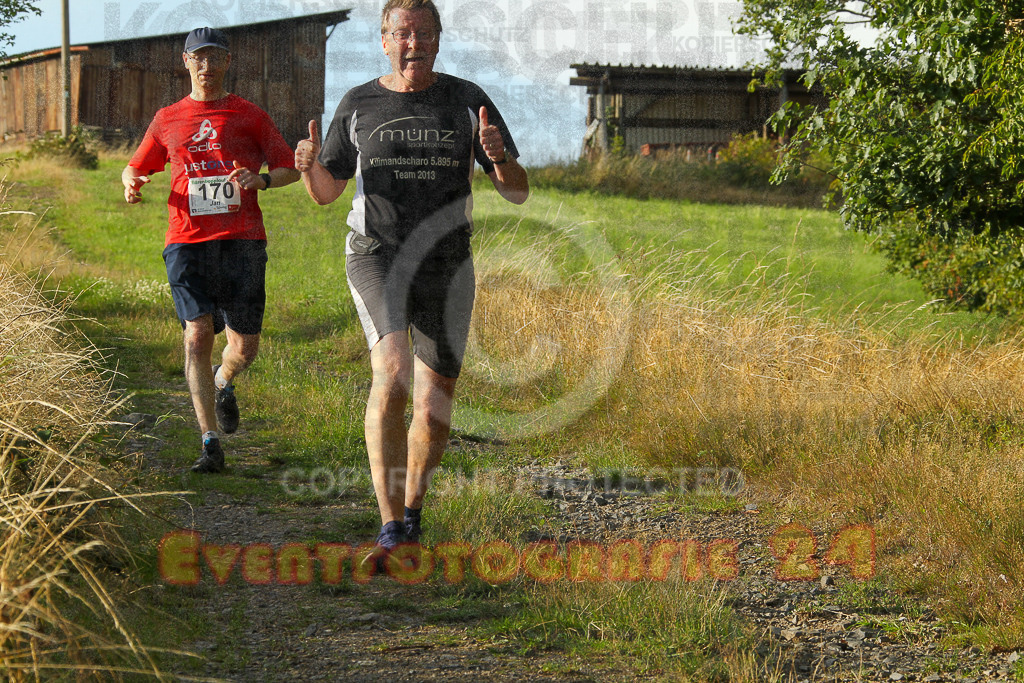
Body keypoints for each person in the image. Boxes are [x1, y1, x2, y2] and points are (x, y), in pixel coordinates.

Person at [294, 0, 528, 561]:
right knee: (394, 372)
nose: (413, 44)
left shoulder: (467, 100)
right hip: (377, 254)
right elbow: (328, 192)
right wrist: (308, 166)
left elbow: (517, 190)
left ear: (439, 41)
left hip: (447, 263)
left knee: (435, 403)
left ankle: (414, 515)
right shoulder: (359, 103)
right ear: (383, 41)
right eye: (402, 34)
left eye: (424, 34)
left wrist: (497, 159)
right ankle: (390, 527)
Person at [121, 27, 299, 474]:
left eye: (214, 57)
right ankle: (209, 441)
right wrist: (131, 181)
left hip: (241, 241)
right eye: (197, 58)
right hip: (186, 241)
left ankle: (224, 379)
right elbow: (136, 164)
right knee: (197, 334)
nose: (206, 66)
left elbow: (288, 169)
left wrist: (260, 180)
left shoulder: (250, 115)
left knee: (244, 347)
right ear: (186, 63)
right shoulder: (167, 118)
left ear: (227, 61)